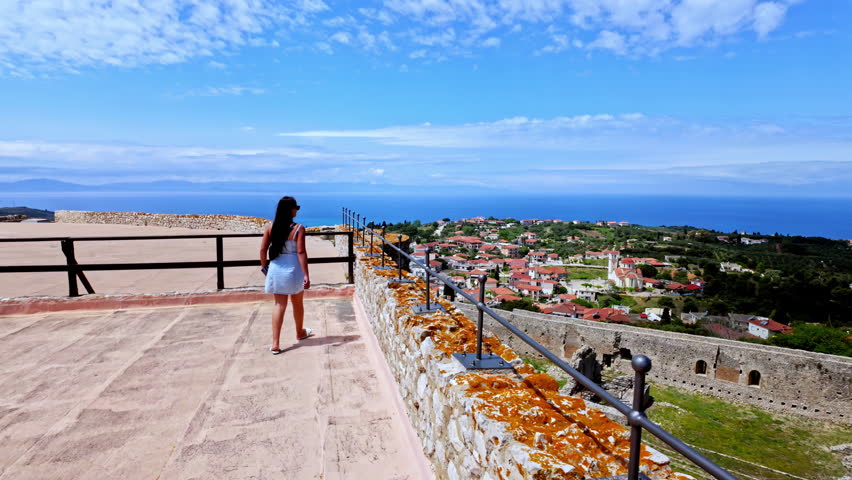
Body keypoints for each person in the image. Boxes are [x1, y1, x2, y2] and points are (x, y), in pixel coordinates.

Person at [260, 196, 313, 354]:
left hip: (276, 269)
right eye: (296, 207)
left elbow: (262, 250)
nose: (297, 210)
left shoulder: (270, 226)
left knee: (279, 305)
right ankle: (300, 332)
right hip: (293, 271)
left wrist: (264, 267)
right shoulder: (298, 228)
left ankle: (275, 343)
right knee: (297, 303)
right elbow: (301, 252)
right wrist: (306, 275)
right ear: (290, 210)